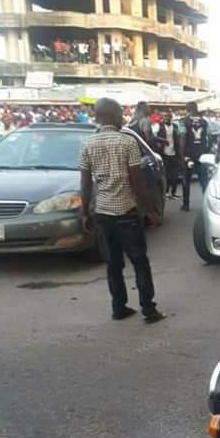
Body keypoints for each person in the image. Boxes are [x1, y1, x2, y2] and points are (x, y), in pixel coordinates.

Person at [80, 98, 165, 324]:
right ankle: (149, 310)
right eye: (120, 113)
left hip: (103, 214)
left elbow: (86, 184)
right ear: (115, 116)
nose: (123, 117)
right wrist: (150, 211)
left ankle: (119, 308)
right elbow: (137, 183)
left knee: (114, 264)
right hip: (127, 213)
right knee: (139, 262)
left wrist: (85, 213)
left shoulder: (87, 144)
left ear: (98, 117)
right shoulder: (127, 142)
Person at [180, 101, 210, 191]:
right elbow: (209, 137)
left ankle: (186, 204)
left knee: (186, 180)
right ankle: (206, 202)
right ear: (197, 109)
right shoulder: (204, 122)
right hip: (202, 154)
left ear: (187, 110)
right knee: (204, 181)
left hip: (188, 155)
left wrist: (181, 156)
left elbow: (182, 139)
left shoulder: (183, 122)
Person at [157, 113, 186, 206]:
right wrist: (162, 141)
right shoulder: (159, 127)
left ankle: (173, 193)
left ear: (171, 118)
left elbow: (179, 137)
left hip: (174, 153)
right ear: (163, 118)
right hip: (164, 153)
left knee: (174, 175)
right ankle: (166, 193)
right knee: (165, 174)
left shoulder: (175, 126)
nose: (166, 118)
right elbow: (155, 137)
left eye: (168, 117)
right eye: (164, 117)